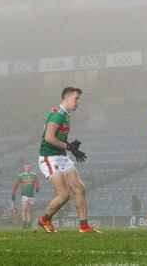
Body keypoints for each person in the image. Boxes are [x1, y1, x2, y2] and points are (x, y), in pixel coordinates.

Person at [36, 87, 100, 233]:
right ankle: (45, 219)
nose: (78, 102)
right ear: (66, 98)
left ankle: (84, 226)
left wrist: (70, 147)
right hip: (49, 157)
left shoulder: (66, 115)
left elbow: (58, 139)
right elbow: (49, 138)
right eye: (76, 98)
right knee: (64, 195)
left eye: (79, 99)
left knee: (79, 188)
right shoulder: (58, 115)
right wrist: (69, 146)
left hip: (61, 156)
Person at [12, 163, 40, 229]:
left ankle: (28, 224)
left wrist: (38, 188)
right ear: (24, 168)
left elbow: (37, 183)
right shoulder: (21, 176)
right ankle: (24, 223)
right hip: (24, 194)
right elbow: (16, 185)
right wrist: (13, 194)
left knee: (29, 211)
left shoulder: (34, 175)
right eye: (26, 167)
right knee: (24, 209)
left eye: (29, 167)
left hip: (31, 195)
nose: (28, 168)